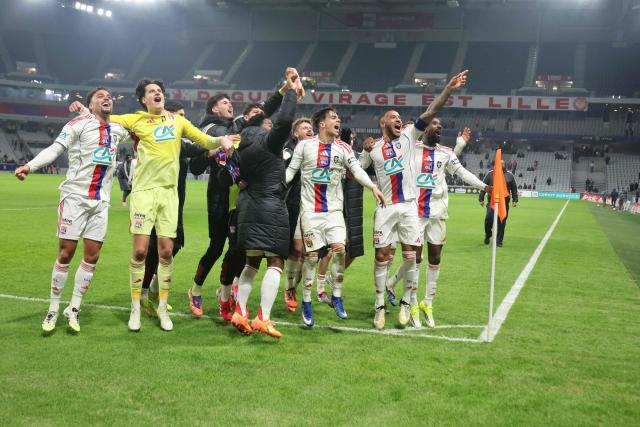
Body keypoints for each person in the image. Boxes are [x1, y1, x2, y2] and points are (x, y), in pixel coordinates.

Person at [69, 79, 236, 332]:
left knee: (167, 252)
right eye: (152, 92)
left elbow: (203, 140)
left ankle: (162, 308)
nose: (158, 93)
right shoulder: (135, 119)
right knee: (140, 252)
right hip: (144, 193)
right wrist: (84, 110)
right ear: (143, 100)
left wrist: (222, 140)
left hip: (169, 195)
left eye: (160, 91)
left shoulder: (177, 121)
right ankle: (136, 307)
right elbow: (104, 119)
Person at [360, 70, 469, 330]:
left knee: (412, 258)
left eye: (400, 118)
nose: (399, 119)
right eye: (393, 118)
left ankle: (408, 303)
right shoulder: (374, 148)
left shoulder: (410, 135)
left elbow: (430, 111)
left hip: (410, 207)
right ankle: (379, 307)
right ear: (383, 124)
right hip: (385, 208)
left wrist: (448, 90)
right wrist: (364, 149)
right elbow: (359, 169)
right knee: (382, 256)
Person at [15, 87, 130, 332]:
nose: (107, 98)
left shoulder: (118, 129)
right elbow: (56, 149)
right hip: (75, 197)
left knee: (92, 256)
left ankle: (74, 308)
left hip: (101, 202)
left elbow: (143, 134)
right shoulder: (77, 124)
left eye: (109, 96)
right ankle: (53, 308)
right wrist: (29, 166)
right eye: (100, 96)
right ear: (90, 103)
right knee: (66, 253)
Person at [188, 81, 292, 319]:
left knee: (236, 250)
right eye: (225, 102)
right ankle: (195, 290)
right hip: (218, 195)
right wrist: (218, 155)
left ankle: (225, 293)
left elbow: (263, 111)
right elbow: (195, 165)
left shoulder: (236, 128)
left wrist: (282, 91)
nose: (229, 105)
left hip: (239, 198)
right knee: (216, 247)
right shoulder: (210, 129)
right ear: (214, 108)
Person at [286, 108, 385, 327]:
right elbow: (291, 171)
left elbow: (358, 170)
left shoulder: (343, 147)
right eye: (333, 118)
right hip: (310, 212)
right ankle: (306, 301)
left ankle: (337, 296)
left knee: (340, 250)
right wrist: (272, 186)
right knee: (311, 257)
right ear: (321, 124)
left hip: (334, 213)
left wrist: (372, 187)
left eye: (338, 118)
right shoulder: (305, 146)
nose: (338, 120)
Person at [231, 68, 304, 338]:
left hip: (248, 207)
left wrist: (283, 89)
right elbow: (284, 121)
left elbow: (266, 111)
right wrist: (293, 93)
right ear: (263, 125)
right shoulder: (268, 141)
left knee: (251, 263)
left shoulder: (241, 140)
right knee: (275, 262)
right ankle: (264, 317)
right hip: (271, 206)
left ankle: (240, 311)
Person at [410, 126, 489, 327]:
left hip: (437, 213)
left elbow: (462, 172)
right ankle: (411, 303)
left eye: (440, 126)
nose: (439, 127)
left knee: (435, 257)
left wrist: (485, 186)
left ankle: (427, 304)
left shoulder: (446, 153)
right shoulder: (411, 147)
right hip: (415, 213)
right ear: (425, 128)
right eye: (434, 124)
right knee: (415, 259)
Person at [139, 101, 207, 317]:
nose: (183, 119)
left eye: (184, 116)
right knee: (154, 251)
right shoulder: (166, 137)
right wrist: (220, 140)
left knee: (172, 246)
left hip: (174, 203)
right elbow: (197, 148)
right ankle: (143, 295)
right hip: (157, 202)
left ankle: (150, 292)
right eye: (179, 115)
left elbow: (197, 154)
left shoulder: (179, 139)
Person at [282, 117, 315, 312]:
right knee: (296, 248)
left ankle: (296, 286)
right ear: (295, 134)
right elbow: (284, 175)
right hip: (295, 205)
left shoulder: (317, 151)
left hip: (316, 207)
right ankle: (290, 288)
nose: (309, 130)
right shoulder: (288, 152)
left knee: (309, 253)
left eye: (311, 128)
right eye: (304, 128)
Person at [479, 160, 518, 247]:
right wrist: (481, 198)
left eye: (503, 164)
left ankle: (499, 241)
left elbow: (514, 189)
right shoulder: (490, 174)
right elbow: (483, 186)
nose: (501, 165)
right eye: (499, 164)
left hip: (504, 203)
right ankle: (488, 235)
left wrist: (515, 200)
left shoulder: (510, 175)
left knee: (502, 222)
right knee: (488, 219)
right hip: (492, 202)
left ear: (505, 165)